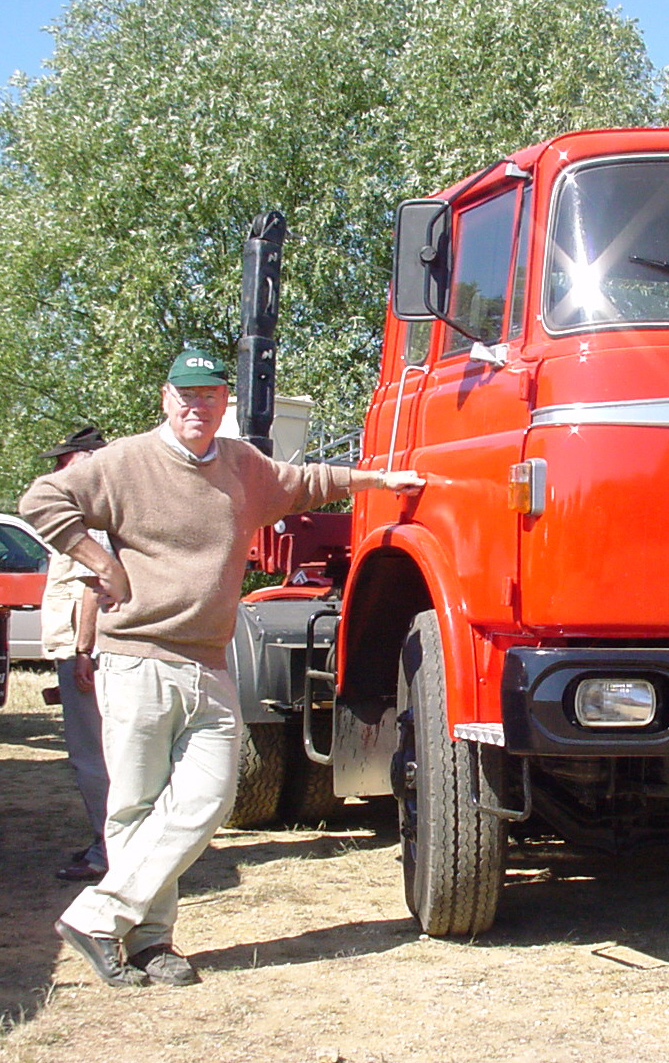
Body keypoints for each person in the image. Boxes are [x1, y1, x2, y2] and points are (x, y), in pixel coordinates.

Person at [20, 348, 424, 987]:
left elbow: (310, 481)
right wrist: (101, 562)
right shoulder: (123, 462)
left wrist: (380, 482)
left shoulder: (242, 466)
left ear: (222, 402)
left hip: (208, 665)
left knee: (209, 798)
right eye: (185, 394)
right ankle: (149, 945)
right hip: (139, 660)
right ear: (165, 398)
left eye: (208, 395)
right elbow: (42, 500)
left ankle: (101, 914)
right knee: (133, 808)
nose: (196, 406)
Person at [35, 426, 112, 883]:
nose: (58, 469)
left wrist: (84, 650)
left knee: (94, 756)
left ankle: (107, 850)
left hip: (90, 654)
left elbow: (91, 586)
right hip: (87, 651)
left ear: (83, 459)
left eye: (64, 460)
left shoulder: (91, 507)